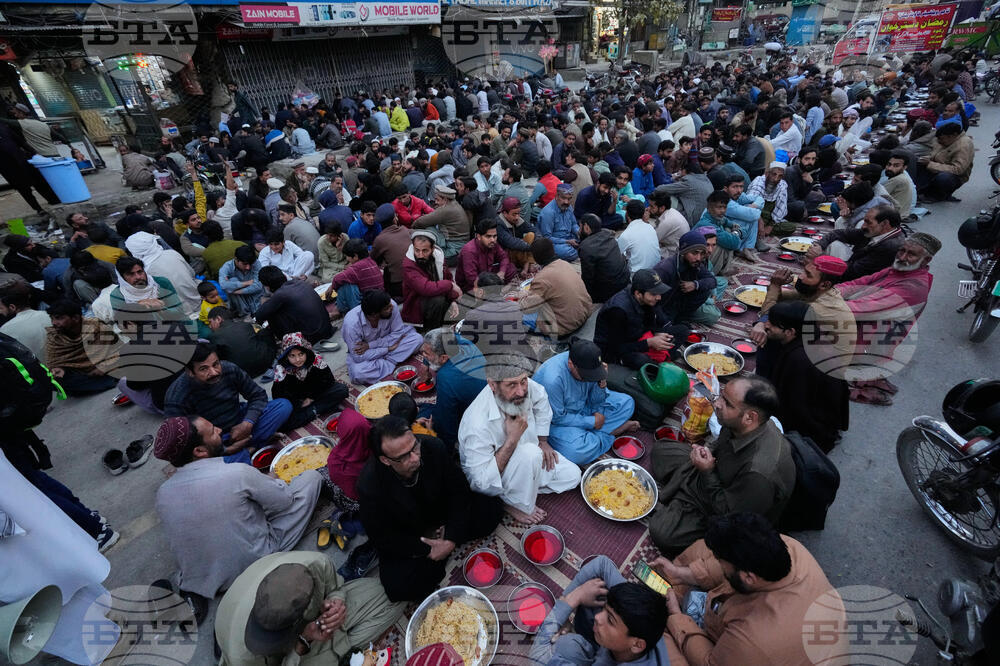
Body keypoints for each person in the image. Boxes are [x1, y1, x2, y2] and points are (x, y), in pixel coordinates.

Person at [152, 415, 322, 603]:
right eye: (213, 432)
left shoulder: (162, 493)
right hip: (254, 566)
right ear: (199, 451)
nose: (219, 430)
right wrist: (273, 481)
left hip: (205, 580)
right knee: (310, 479)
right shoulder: (236, 473)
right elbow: (284, 502)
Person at [654, 512, 845, 665]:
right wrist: (681, 574)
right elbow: (721, 563)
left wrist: (676, 617)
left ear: (749, 578)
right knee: (703, 551)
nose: (718, 563)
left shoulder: (754, 639)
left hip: (756, 654)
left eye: (721, 562)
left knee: (659, 640)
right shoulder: (789, 547)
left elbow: (709, 662)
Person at [357, 415, 504, 601]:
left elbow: (459, 491)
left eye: (414, 447)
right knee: (398, 586)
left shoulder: (432, 447)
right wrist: (427, 549)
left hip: (441, 512)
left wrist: (451, 537)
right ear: (386, 460)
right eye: (404, 456)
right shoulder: (370, 486)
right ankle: (436, 556)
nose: (415, 458)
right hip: (411, 533)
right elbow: (384, 537)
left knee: (491, 509)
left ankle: (441, 552)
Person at [649, 376, 796, 555]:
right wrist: (706, 452)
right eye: (721, 396)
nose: (717, 404)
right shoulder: (742, 423)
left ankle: (682, 498)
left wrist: (707, 472)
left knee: (662, 532)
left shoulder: (758, 474)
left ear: (750, 417)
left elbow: (729, 517)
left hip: (725, 505)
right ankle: (682, 493)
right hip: (716, 473)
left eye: (727, 403)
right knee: (661, 450)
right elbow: (720, 443)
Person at [214, 551, 402, 665]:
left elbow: (335, 588)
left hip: (311, 625)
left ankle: (339, 652)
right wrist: (301, 644)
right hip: (285, 656)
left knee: (395, 597)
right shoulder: (243, 657)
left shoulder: (313, 564)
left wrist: (336, 602)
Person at [457, 355, 582, 524]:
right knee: (531, 454)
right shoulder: (477, 425)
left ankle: (519, 490)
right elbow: (481, 483)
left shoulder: (524, 386)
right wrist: (512, 439)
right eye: (512, 385)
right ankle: (510, 503)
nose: (522, 391)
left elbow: (541, 399)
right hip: (498, 473)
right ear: (492, 385)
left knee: (573, 476)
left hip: (531, 455)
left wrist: (543, 441)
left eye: (523, 381)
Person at [529, 555, 671, 666]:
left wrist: (572, 599)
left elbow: (536, 657)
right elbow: (602, 564)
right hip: (606, 651)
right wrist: (566, 611)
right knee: (596, 591)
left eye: (610, 620)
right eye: (605, 611)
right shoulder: (646, 618)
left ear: (637, 645)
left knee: (564, 646)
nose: (598, 617)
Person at [164, 342, 292, 463]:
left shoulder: (229, 369)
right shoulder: (177, 397)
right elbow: (180, 443)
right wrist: (226, 450)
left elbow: (258, 395)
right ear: (190, 372)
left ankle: (246, 448)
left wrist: (247, 423)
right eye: (203, 369)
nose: (214, 372)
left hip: (240, 420)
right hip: (213, 440)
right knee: (205, 467)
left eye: (215, 364)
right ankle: (250, 448)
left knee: (283, 406)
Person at [755, 301, 849, 452]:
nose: (766, 325)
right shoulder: (810, 334)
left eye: (772, 324)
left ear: (790, 332)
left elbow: (792, 406)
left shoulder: (799, 360)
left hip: (811, 425)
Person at [532, 340, 638, 465]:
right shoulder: (553, 380)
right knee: (577, 452)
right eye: (586, 376)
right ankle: (611, 432)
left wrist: (601, 382)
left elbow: (596, 400)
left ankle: (592, 436)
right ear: (571, 364)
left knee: (627, 403)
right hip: (559, 422)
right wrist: (592, 422)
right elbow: (557, 418)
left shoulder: (590, 363)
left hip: (584, 406)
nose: (589, 378)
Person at [750, 256, 858, 378]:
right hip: (816, 356)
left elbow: (775, 316)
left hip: (824, 372)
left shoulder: (822, 308)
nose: (800, 276)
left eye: (808, 275)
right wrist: (776, 287)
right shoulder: (821, 291)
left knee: (772, 334)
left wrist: (775, 285)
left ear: (825, 284)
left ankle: (764, 381)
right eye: (804, 271)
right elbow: (781, 299)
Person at [594, 269, 687, 368]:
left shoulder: (647, 300)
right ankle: (656, 364)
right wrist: (649, 343)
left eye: (659, 293)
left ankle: (660, 358)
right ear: (638, 294)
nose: (659, 297)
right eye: (654, 294)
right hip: (614, 350)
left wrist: (656, 332)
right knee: (641, 360)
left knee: (683, 330)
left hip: (638, 336)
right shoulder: (618, 311)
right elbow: (616, 348)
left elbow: (649, 323)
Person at [420, 327, 486, 449]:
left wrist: (446, 446)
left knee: (424, 413)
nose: (423, 355)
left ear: (444, 358)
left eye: (426, 354)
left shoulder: (446, 377)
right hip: (482, 394)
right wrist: (425, 364)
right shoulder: (464, 343)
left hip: (476, 415)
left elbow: (446, 419)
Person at [343, 289, 423, 385]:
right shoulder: (351, 324)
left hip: (388, 345)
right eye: (386, 308)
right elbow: (359, 357)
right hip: (373, 353)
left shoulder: (390, 305)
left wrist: (370, 345)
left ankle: (386, 363)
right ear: (374, 314)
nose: (392, 307)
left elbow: (398, 333)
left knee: (417, 339)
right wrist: (387, 349)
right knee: (358, 373)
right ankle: (391, 361)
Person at [271, 333, 349, 431]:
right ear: (286, 356)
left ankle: (313, 411)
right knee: (284, 421)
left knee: (342, 389)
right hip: (298, 403)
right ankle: (318, 409)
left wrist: (311, 398)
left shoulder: (315, 359)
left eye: (301, 354)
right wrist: (300, 403)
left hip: (316, 395)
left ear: (306, 352)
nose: (297, 360)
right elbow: (278, 396)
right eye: (292, 356)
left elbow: (329, 380)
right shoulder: (281, 370)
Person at [808, 204, 906, 282]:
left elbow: (853, 272)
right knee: (833, 244)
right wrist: (820, 246)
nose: (863, 226)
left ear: (885, 224)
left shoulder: (890, 247)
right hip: (854, 267)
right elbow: (838, 233)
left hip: (862, 285)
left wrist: (820, 259)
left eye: (868, 222)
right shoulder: (876, 231)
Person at [520, 238, 593, 338]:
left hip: (564, 327)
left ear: (536, 258)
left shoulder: (541, 278)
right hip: (584, 314)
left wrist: (522, 295)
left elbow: (526, 308)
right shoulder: (565, 263)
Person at [45, 299, 120, 395]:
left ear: (76, 318)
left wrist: (104, 366)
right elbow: (53, 362)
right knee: (53, 382)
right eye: (52, 319)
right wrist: (59, 369)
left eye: (58, 318)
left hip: (105, 366)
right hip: (82, 374)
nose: (54, 323)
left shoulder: (96, 327)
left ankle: (102, 383)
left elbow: (118, 349)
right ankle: (106, 382)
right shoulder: (54, 336)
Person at [124, 231, 201, 315]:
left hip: (180, 311)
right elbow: (192, 273)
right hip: (198, 300)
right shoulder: (172, 253)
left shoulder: (144, 271)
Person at [653, 230, 719, 326]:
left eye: (702, 254)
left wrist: (695, 285)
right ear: (684, 252)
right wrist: (666, 323)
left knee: (705, 290)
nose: (698, 258)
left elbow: (712, 281)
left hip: (678, 304)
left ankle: (680, 319)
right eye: (695, 253)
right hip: (663, 307)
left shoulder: (696, 264)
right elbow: (652, 301)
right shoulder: (665, 269)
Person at [256, 266, 333, 345]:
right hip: (327, 330)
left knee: (271, 313)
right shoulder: (299, 282)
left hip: (313, 338)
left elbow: (259, 316)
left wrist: (265, 303)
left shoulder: (280, 294)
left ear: (267, 287)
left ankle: (289, 343)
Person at [401, 230, 462, 330]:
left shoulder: (438, 257)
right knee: (438, 300)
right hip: (416, 305)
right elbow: (425, 288)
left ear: (432, 249)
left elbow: (448, 277)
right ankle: (431, 331)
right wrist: (450, 285)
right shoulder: (408, 265)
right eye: (417, 250)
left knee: (458, 303)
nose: (420, 255)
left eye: (425, 251)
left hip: (437, 295)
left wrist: (452, 300)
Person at [206, 306, 276, 378]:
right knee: (263, 332)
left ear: (218, 319)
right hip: (265, 363)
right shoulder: (244, 324)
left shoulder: (214, 336)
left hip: (242, 373)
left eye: (210, 322)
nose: (210, 326)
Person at [578, 213, 630, 304]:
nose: (579, 230)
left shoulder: (586, 247)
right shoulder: (609, 235)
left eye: (580, 227)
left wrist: (587, 296)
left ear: (586, 227)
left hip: (608, 292)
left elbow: (588, 278)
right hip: (624, 281)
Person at [916, 122, 974, 202]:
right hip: (938, 167)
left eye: (941, 139)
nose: (939, 141)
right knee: (917, 163)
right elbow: (938, 156)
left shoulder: (963, 146)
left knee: (944, 178)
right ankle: (918, 191)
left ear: (953, 135)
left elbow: (958, 169)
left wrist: (930, 164)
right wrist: (927, 159)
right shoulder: (945, 140)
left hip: (955, 177)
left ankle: (936, 196)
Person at [456, 218, 518, 292]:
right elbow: (471, 279)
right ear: (479, 237)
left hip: (487, 275)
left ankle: (497, 288)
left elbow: (504, 257)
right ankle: (497, 290)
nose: (493, 240)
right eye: (488, 236)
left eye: (495, 236)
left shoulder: (492, 244)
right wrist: (492, 283)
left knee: (510, 268)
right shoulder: (469, 251)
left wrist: (502, 272)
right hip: (472, 284)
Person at [411, 184, 471, 261]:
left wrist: (411, 228)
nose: (436, 202)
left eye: (437, 200)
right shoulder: (454, 204)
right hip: (461, 243)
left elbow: (420, 222)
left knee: (426, 230)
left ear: (445, 199)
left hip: (454, 248)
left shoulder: (445, 210)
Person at [326, 239, 384, 315]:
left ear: (355, 256)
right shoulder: (371, 261)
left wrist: (331, 287)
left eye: (347, 256)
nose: (347, 259)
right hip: (379, 299)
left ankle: (341, 310)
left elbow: (337, 278)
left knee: (345, 284)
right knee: (347, 279)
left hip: (369, 304)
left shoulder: (357, 267)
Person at [0, 281, 50, 361]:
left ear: (12, 307)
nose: (0, 312)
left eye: (1, 308)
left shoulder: (5, 331)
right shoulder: (50, 316)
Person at [537, 183, 582, 261]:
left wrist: (579, 232)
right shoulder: (548, 212)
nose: (566, 202)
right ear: (557, 196)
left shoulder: (568, 207)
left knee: (588, 240)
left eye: (569, 199)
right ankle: (581, 251)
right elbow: (547, 238)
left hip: (570, 239)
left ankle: (581, 250)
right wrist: (567, 242)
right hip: (555, 243)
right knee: (566, 252)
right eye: (563, 198)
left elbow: (574, 224)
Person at [616, 199, 661, 275]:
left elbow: (616, 255)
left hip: (637, 277)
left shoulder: (626, 235)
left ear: (627, 214)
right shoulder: (650, 227)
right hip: (656, 272)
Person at [218, 245, 264, 317]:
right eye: (245, 264)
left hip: (255, 298)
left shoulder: (256, 263)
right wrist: (246, 283)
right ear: (236, 259)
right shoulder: (227, 267)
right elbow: (223, 285)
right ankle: (244, 315)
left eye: (250, 264)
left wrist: (237, 291)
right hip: (239, 302)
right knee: (233, 280)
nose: (248, 267)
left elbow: (258, 286)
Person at [646, 189, 689, 258]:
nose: (648, 208)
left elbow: (649, 240)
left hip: (674, 255)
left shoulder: (666, 221)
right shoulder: (671, 211)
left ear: (662, 208)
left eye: (652, 206)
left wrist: (644, 221)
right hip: (673, 247)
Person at [883, 150, 916, 218]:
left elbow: (878, 195)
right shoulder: (901, 176)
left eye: (896, 166)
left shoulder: (897, 179)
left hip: (894, 215)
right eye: (889, 164)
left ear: (904, 167)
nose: (890, 168)